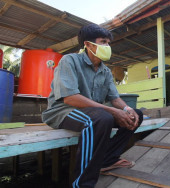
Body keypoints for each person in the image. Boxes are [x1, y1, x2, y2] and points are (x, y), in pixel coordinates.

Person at [42, 23, 143, 187]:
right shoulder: (70, 61)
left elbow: (115, 98)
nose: (107, 46)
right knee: (102, 118)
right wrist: (111, 111)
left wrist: (128, 109)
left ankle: (107, 160)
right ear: (88, 45)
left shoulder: (106, 71)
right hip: (63, 111)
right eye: (103, 41)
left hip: (94, 112)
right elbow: (69, 98)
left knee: (136, 116)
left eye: (108, 43)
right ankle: (82, 183)